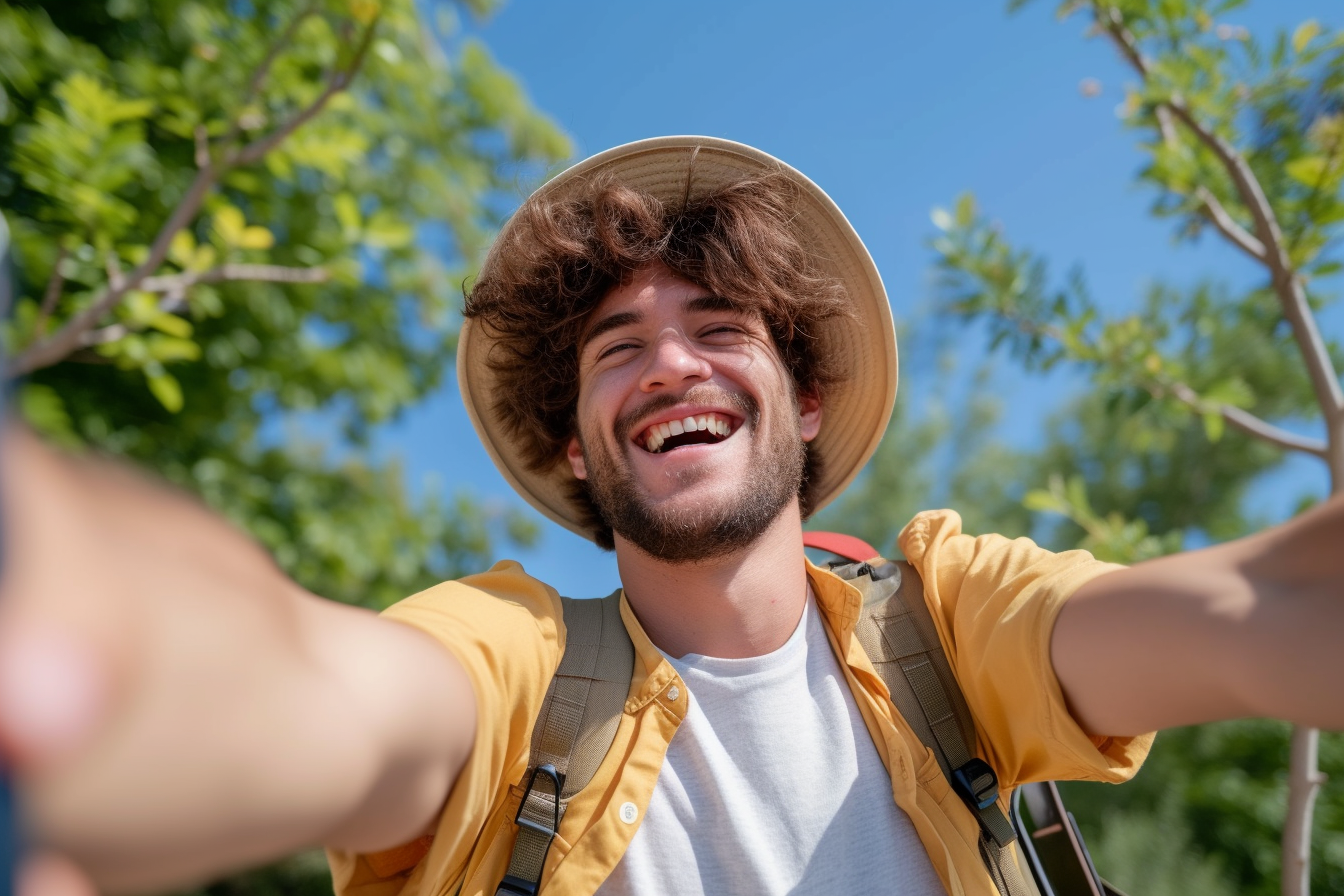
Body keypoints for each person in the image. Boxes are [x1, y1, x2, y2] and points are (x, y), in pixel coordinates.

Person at [1, 136, 1341, 896]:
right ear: (578, 448)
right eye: (614, 348)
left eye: (717, 327)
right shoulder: (514, 670)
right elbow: (307, 691)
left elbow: (1251, 610)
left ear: (803, 399)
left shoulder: (950, 623)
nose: (671, 365)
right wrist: (78, 656)